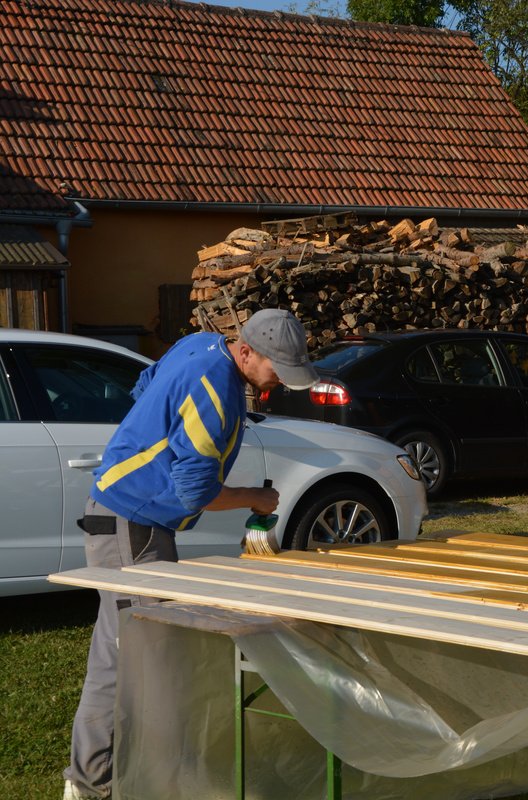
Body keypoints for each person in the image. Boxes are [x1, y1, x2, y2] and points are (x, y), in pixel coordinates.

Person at [63, 309, 319, 800]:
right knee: (144, 654)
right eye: (276, 370)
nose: (281, 382)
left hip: (131, 518)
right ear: (246, 352)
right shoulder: (215, 389)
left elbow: (145, 386)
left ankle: (99, 777)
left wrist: (156, 440)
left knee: (120, 649)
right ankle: (120, 781)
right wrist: (255, 498)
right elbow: (196, 491)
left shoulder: (199, 345)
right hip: (133, 523)